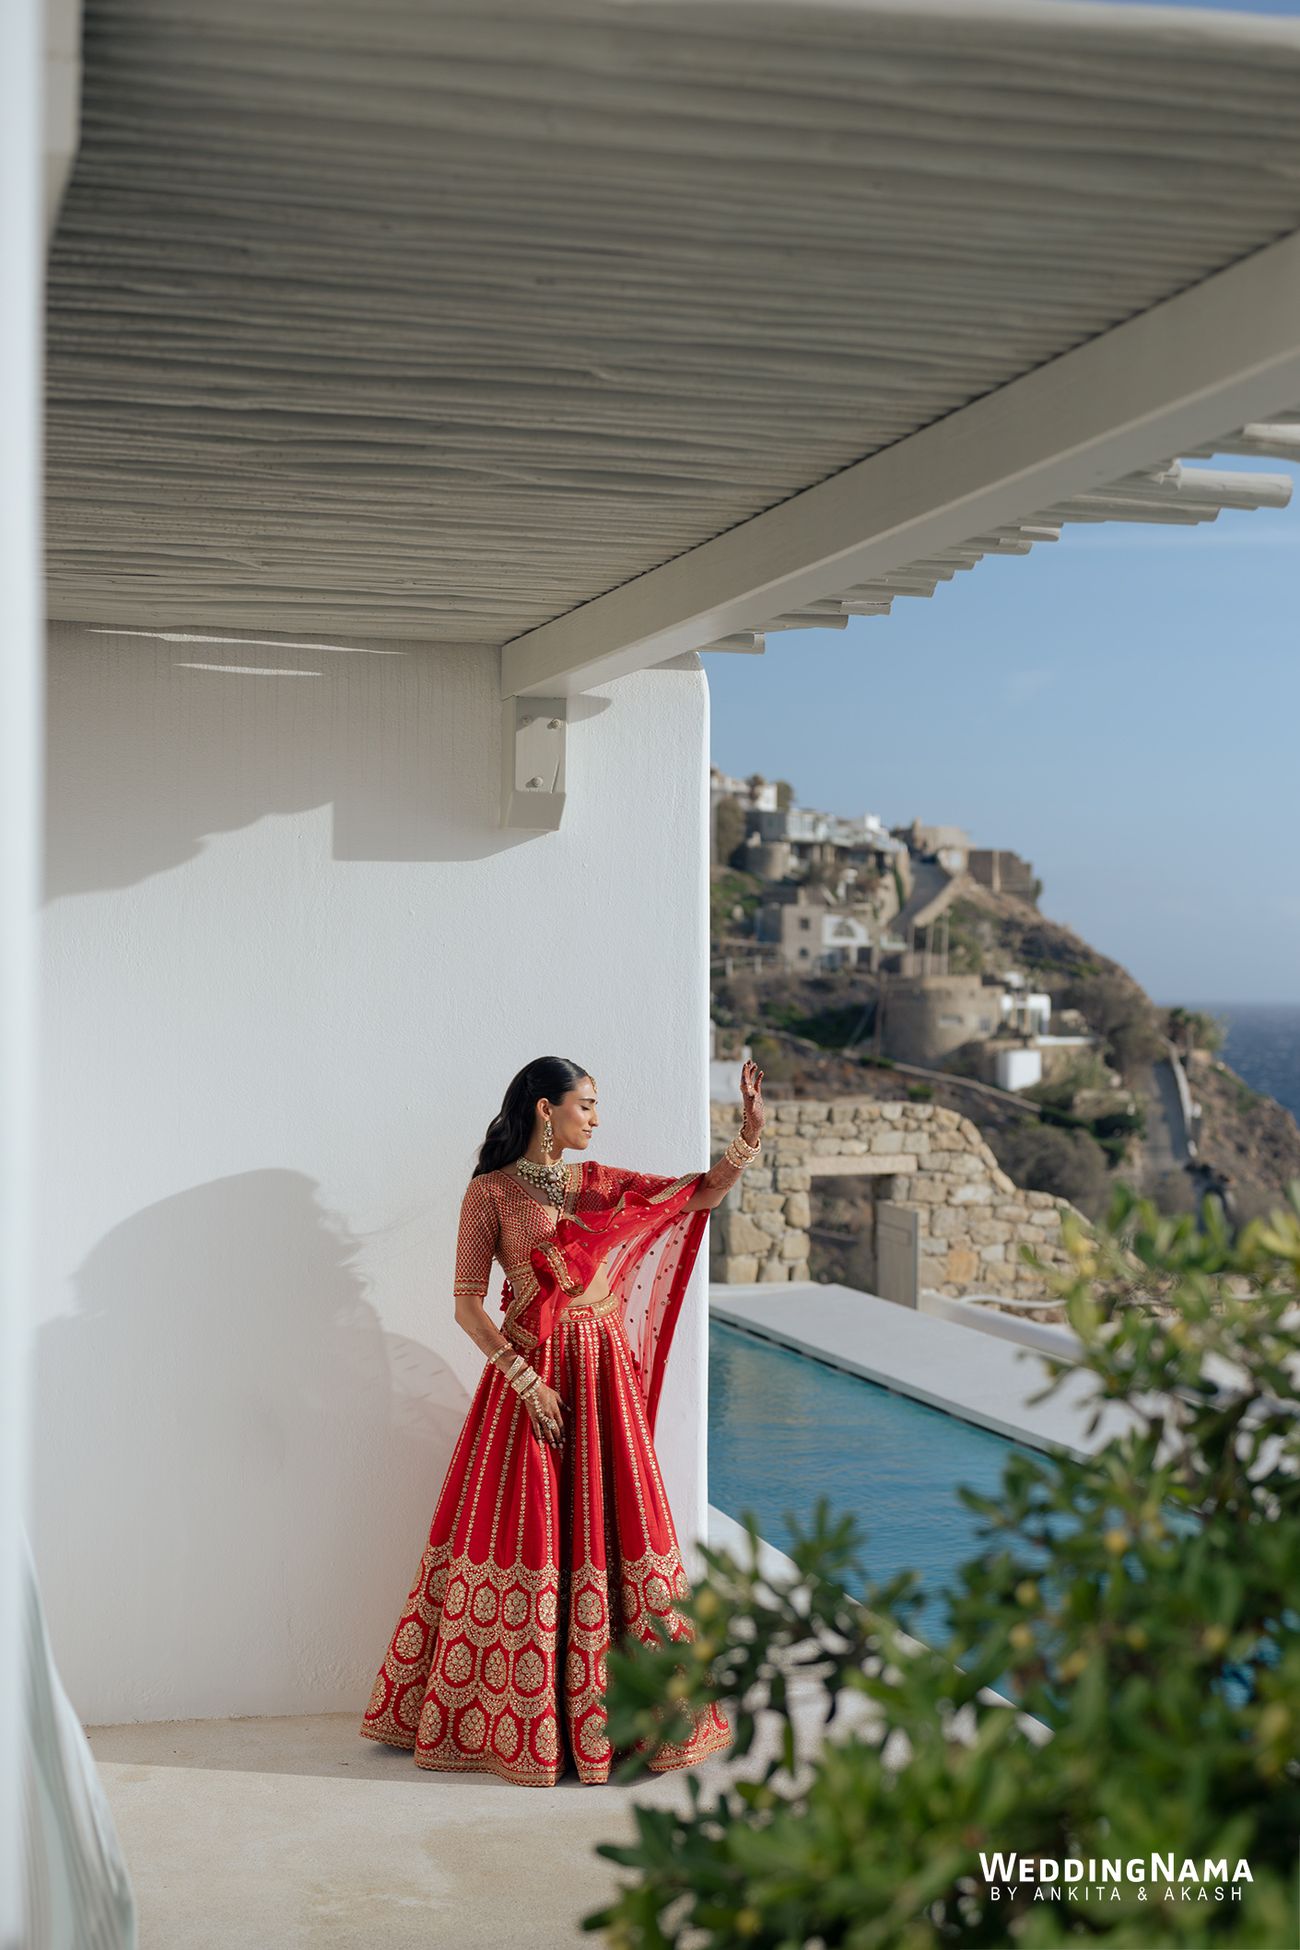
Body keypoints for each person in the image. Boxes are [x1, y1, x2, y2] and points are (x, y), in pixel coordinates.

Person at [358, 1055, 766, 1787]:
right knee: (530, 1527)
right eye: (587, 1104)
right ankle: (519, 1718)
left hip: (601, 1366)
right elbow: (467, 1306)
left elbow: (698, 1195)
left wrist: (747, 1135)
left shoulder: (593, 1183)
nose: (596, 1119)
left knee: (618, 1521)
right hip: (534, 1375)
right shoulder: (489, 1192)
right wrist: (524, 1384)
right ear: (547, 1109)